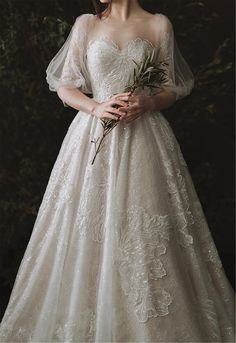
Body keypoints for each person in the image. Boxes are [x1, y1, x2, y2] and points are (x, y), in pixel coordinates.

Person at [0, 0, 235, 342]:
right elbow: (65, 85)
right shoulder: (87, 25)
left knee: (146, 226)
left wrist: (149, 102)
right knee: (85, 225)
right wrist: (96, 106)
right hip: (92, 137)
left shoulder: (158, 25)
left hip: (145, 139)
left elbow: (170, 87)